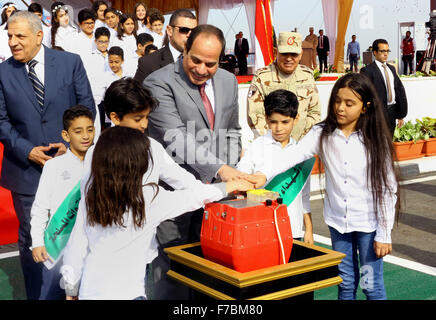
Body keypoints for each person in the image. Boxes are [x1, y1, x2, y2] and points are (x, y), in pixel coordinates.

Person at [251, 73, 400, 300]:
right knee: (345, 282)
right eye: (337, 101)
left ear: (365, 107)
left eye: (350, 103)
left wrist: (384, 233)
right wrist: (262, 175)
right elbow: (291, 155)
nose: (341, 108)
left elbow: (388, 189)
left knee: (371, 285)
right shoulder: (321, 133)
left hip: (369, 224)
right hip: (338, 223)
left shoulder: (376, 138)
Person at [59, 126, 252, 300]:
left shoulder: (92, 193)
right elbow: (194, 197)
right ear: (137, 164)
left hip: (90, 289)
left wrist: (71, 288)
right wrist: (231, 185)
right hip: (129, 293)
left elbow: (76, 243)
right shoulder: (147, 198)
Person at [143, 24, 244, 300]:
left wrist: (229, 167)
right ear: (184, 49)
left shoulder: (228, 81)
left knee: (213, 268)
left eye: (210, 64)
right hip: (173, 194)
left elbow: (232, 129)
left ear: (220, 60)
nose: (201, 69)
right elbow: (176, 138)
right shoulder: (158, 82)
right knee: (172, 270)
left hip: (217, 195)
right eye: (195, 60)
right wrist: (222, 170)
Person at [0, 11, 95, 300]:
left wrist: (70, 143)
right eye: (9, 37)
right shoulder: (2, 73)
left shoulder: (70, 63)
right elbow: (1, 120)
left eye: (20, 36)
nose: (13, 42)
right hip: (26, 173)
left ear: (39, 35)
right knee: (36, 239)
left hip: (72, 169)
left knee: (78, 235)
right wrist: (27, 150)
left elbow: (87, 106)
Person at [30, 105, 95, 300]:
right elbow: (40, 207)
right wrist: (38, 242)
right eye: (78, 131)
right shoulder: (53, 166)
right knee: (51, 294)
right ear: (66, 136)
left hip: (90, 246)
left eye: (90, 129)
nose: (85, 136)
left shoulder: (101, 163)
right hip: (58, 245)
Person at [237, 89, 313, 244]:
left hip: (293, 229)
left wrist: (309, 230)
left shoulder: (301, 153)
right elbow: (241, 174)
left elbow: (304, 195)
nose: (278, 128)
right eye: (273, 122)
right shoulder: (257, 146)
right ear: (266, 119)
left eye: (285, 122)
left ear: (296, 119)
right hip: (262, 227)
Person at [247, 31, 321, 140]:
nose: (289, 58)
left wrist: (302, 140)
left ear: (300, 54)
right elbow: (255, 116)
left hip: (301, 146)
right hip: (270, 146)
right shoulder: (262, 77)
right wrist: (274, 142)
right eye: (285, 54)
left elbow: (315, 112)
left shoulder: (307, 76)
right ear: (276, 52)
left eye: (294, 54)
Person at [134, 8, 197, 83]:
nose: (189, 35)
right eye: (184, 30)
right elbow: (135, 93)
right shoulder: (148, 63)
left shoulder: (203, 61)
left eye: (194, 31)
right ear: (169, 30)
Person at [360, 39, 408, 135]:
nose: (386, 54)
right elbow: (364, 94)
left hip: (392, 112)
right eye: (382, 51)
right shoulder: (367, 71)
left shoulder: (392, 69)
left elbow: (398, 90)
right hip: (377, 114)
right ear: (375, 52)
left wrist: (401, 115)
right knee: (377, 144)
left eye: (387, 51)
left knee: (389, 143)